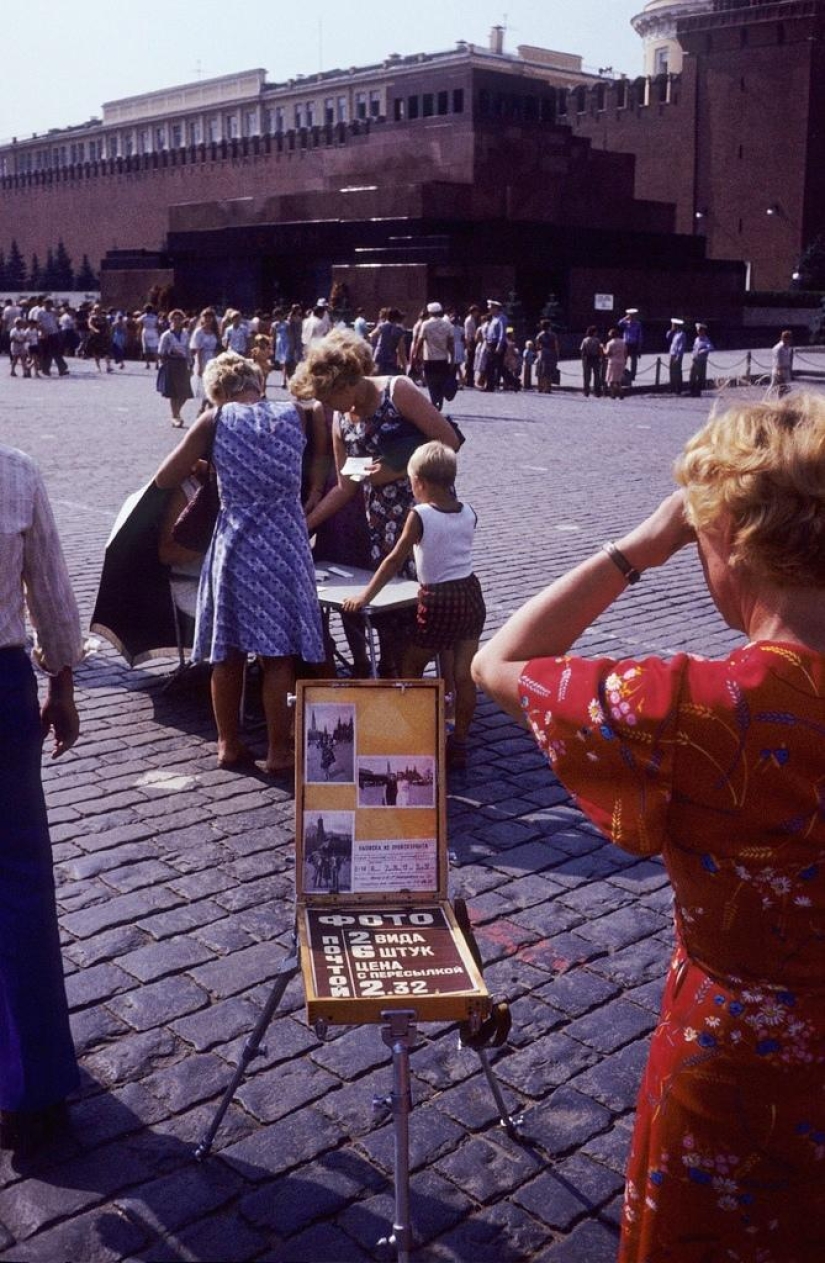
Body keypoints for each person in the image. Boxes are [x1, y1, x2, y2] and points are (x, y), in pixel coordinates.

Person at [472, 391, 825, 1262]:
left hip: (737, 1060)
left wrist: (639, 545)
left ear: (728, 536)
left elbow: (499, 661)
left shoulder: (693, 708)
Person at [154, 352, 325, 774]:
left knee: (227, 652)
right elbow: (320, 456)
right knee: (278, 655)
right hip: (285, 541)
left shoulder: (214, 422)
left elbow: (164, 477)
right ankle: (279, 750)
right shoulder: (296, 415)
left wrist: (205, 461)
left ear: (217, 392)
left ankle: (229, 744)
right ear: (257, 383)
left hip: (236, 544)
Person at [0, 443, 84, 1154]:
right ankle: (31, 1085)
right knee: (19, 877)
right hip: (0, 688)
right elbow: (51, 593)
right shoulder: (16, 469)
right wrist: (62, 682)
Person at [293, 329, 460, 676]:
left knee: (435, 607)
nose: (329, 405)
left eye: (330, 395)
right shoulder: (341, 416)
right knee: (393, 612)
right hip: (383, 528)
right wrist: (303, 527)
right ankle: (400, 678)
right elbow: (344, 486)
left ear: (349, 380)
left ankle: (446, 689)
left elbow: (448, 441)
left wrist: (397, 469)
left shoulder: (397, 390)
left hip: (426, 519)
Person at [343, 441, 485, 767]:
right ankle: (460, 741)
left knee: (411, 667)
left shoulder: (419, 515)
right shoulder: (468, 512)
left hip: (437, 600)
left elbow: (395, 560)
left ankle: (417, 733)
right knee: (464, 675)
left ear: (418, 482)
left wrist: (365, 596)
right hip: (470, 595)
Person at [412, 302, 455, 412]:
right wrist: (453, 359)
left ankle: (434, 401)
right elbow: (451, 344)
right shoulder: (448, 325)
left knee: (431, 383)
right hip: (443, 359)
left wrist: (415, 356)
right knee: (441, 382)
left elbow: (420, 341)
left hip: (429, 359)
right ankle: (439, 401)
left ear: (430, 312)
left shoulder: (426, 325)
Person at [157, 309, 193, 426]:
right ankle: (175, 417)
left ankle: (176, 413)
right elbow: (161, 352)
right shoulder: (166, 335)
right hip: (171, 363)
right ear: (170, 320)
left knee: (185, 393)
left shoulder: (185, 334)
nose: (177, 321)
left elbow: (187, 350)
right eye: (174, 319)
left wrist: (191, 363)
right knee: (173, 392)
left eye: (179, 319)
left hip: (182, 364)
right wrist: (171, 352)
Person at [189, 307, 221, 412]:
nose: (208, 319)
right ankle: (205, 407)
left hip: (213, 359)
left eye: (210, 317)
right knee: (205, 384)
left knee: (213, 384)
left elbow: (217, 347)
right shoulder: (199, 331)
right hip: (202, 359)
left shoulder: (215, 332)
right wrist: (199, 365)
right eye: (205, 317)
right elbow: (197, 349)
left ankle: (206, 407)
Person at [370, 307, 408, 376]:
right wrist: (405, 367)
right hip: (390, 360)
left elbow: (372, 336)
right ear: (396, 318)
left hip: (378, 358)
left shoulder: (382, 326)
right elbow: (401, 350)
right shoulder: (399, 331)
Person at [483, 300, 508, 392]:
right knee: (491, 366)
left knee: (494, 366)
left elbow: (502, 333)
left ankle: (513, 382)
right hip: (491, 344)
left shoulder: (502, 318)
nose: (489, 310)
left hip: (497, 344)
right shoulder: (494, 318)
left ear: (496, 308)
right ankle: (490, 386)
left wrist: (499, 346)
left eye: (491, 308)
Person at [689, 322, 714, 397]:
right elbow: (694, 348)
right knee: (692, 375)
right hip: (695, 360)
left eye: (700, 330)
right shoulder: (696, 339)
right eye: (698, 330)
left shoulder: (706, 339)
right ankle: (692, 390)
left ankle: (698, 391)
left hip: (701, 361)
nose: (698, 332)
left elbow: (711, 347)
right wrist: (692, 355)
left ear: (703, 331)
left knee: (700, 376)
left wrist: (703, 351)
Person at [618, 307, 643, 381]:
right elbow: (619, 323)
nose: (631, 317)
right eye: (630, 315)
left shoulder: (638, 324)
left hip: (634, 343)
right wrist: (626, 317)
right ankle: (622, 374)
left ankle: (633, 375)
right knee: (623, 359)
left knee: (634, 361)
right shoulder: (625, 323)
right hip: (626, 343)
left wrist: (639, 346)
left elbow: (640, 335)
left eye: (632, 315)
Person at [535, 319, 560, 394]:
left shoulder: (539, 335)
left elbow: (537, 346)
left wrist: (538, 352)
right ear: (549, 326)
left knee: (540, 371)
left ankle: (540, 387)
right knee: (548, 372)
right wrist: (557, 355)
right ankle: (548, 388)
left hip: (541, 354)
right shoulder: (553, 335)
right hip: (551, 354)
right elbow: (556, 346)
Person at [603, 327, 628, 399]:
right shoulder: (623, 342)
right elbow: (625, 352)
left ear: (611, 335)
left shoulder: (610, 343)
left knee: (611, 380)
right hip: (621, 362)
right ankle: (620, 391)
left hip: (613, 362)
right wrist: (625, 360)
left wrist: (603, 348)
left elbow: (607, 353)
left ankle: (613, 394)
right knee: (618, 379)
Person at [579, 325, 603, 397]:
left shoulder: (585, 340)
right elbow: (599, 350)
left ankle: (586, 391)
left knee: (586, 376)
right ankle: (597, 391)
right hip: (595, 358)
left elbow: (582, 350)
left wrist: (583, 358)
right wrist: (600, 358)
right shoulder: (597, 340)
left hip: (587, 359)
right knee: (597, 375)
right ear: (594, 332)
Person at [665, 317, 686, 394]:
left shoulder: (682, 334)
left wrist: (678, 356)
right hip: (672, 354)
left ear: (677, 325)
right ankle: (672, 387)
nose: (672, 326)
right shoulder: (674, 333)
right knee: (671, 371)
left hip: (677, 355)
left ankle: (678, 388)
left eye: (673, 325)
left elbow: (681, 346)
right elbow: (667, 337)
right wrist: (671, 330)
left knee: (677, 372)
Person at [136, 303, 160, 369]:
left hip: (146, 331)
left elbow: (138, 322)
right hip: (153, 331)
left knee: (146, 349)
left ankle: (147, 364)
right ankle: (157, 363)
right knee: (155, 348)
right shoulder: (155, 317)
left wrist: (138, 334)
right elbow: (158, 325)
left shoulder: (143, 317)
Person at [770, 328, 793, 396]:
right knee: (774, 387)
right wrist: (779, 372)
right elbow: (777, 360)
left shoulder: (788, 347)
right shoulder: (778, 348)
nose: (790, 340)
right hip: (779, 370)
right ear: (784, 338)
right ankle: (767, 400)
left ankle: (782, 402)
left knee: (786, 388)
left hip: (786, 370)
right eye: (788, 338)